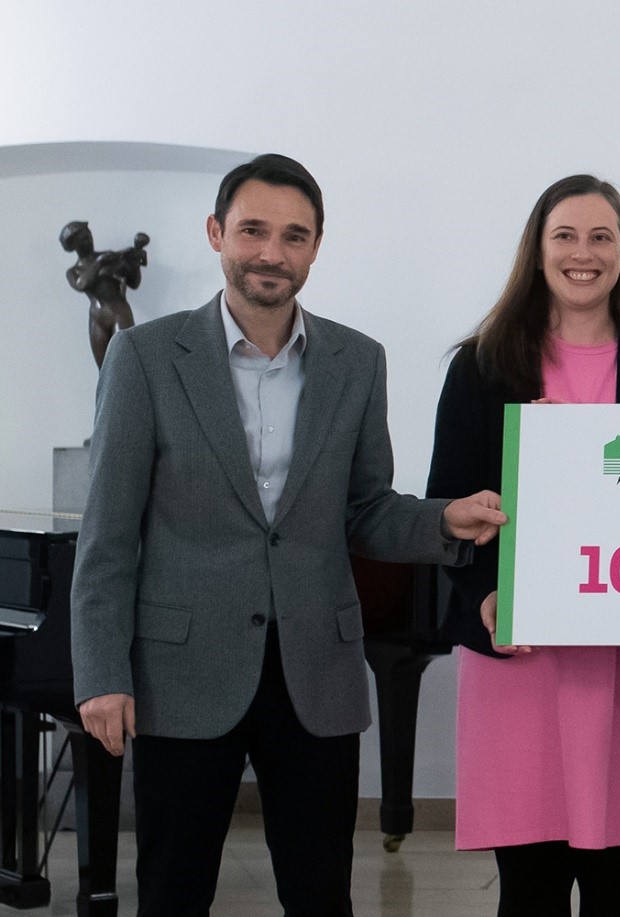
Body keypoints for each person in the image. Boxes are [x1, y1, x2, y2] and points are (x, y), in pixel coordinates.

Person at [70, 153, 507, 916]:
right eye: (253, 230)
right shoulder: (144, 358)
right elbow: (108, 534)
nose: (272, 252)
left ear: (315, 246)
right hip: (183, 675)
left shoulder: (357, 361)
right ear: (216, 233)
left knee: (321, 895)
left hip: (317, 674)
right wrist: (101, 671)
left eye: (294, 235)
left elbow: (365, 508)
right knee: (172, 894)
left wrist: (441, 519)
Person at [426, 174, 620, 916]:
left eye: (600, 237)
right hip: (520, 659)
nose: (582, 253)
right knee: (530, 890)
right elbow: (445, 508)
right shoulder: (482, 364)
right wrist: (487, 592)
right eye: (565, 236)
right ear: (537, 249)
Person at [60, 220, 149, 368]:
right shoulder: (74, 271)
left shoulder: (110, 258)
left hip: (119, 312)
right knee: (104, 370)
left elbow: (134, 283)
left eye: (89, 236)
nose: (89, 241)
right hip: (97, 318)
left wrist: (134, 263)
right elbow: (81, 284)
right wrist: (99, 262)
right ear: (74, 245)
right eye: (83, 239)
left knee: (126, 359)